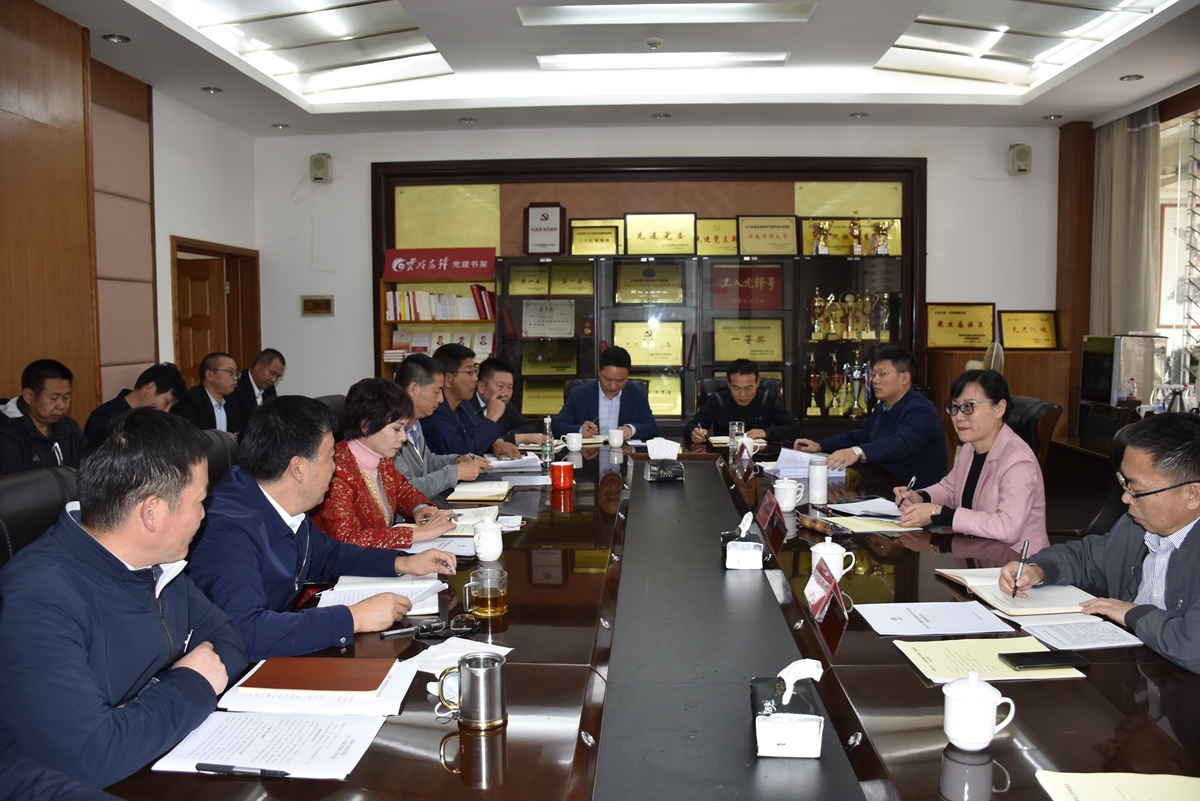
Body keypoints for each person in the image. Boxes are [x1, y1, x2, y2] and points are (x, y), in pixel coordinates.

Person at [0, 409, 248, 788]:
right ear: (152, 512)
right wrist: (192, 682)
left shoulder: (156, 562)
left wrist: (143, 708)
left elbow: (229, 640)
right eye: (200, 500)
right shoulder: (36, 599)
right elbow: (94, 755)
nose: (204, 515)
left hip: (145, 762)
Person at [188, 395, 457, 661]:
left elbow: (328, 555)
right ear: (298, 468)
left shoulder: (284, 501)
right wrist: (353, 618)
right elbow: (245, 632)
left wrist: (402, 563)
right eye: (330, 458)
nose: (335, 468)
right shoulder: (226, 532)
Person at [1000, 413, 1200, 674]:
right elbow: (1086, 557)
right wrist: (1039, 570)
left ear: (1192, 494)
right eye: (1125, 483)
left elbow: (1193, 647)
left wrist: (1132, 613)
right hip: (1135, 673)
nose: (1126, 499)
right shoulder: (1134, 526)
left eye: (1138, 491)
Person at [894, 369, 1049, 552]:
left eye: (968, 407)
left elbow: (1008, 528)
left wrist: (939, 513)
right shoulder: (970, 447)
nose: (959, 417)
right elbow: (950, 488)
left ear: (999, 408)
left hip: (1018, 562)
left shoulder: (1019, 461)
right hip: (978, 554)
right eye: (955, 407)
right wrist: (921, 497)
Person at [312, 378, 456, 549]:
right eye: (396, 429)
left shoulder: (382, 458)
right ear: (366, 426)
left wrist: (420, 508)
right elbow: (348, 539)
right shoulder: (336, 472)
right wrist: (418, 534)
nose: (403, 437)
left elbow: (402, 491)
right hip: (345, 565)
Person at [793, 345, 946, 487]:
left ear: (904, 378)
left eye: (883, 374)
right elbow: (860, 435)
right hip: (883, 484)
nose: (875, 380)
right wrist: (819, 446)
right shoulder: (884, 406)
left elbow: (901, 443)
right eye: (873, 374)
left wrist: (858, 452)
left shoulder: (922, 410)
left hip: (914, 494)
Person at [392, 354, 485, 499]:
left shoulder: (415, 423)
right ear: (413, 390)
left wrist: (456, 460)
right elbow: (405, 490)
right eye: (436, 392)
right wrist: (455, 473)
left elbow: (426, 462)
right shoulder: (389, 432)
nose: (441, 399)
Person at [424, 344, 521, 459]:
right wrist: (491, 418)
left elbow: (476, 436)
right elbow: (462, 453)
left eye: (475, 371)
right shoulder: (434, 413)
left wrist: (495, 443)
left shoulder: (464, 404)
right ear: (448, 379)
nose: (475, 378)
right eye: (469, 372)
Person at [0, 359, 87, 475]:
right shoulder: (7, 433)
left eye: (66, 398)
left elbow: (92, 467)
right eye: (54, 398)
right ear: (29, 396)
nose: (62, 405)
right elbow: (15, 483)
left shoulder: (69, 427)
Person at [552, 346, 658, 440]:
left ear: (627, 375)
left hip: (625, 454)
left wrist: (632, 429)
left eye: (620, 380)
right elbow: (557, 426)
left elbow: (652, 427)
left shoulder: (637, 394)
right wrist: (580, 430)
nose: (613, 386)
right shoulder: (579, 394)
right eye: (608, 379)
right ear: (599, 370)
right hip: (589, 454)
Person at [684, 359, 801, 445]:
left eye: (749, 388)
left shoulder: (766, 399)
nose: (742, 394)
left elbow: (794, 428)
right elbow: (691, 426)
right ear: (729, 384)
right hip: (724, 457)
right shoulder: (718, 399)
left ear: (757, 383)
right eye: (736, 388)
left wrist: (766, 432)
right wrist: (694, 433)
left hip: (760, 457)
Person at [83, 362, 187, 441]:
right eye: (167, 402)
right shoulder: (104, 418)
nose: (166, 411)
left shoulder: (157, 421)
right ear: (150, 388)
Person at [468, 357, 545, 446]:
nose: (506, 393)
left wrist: (508, 437)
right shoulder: (466, 406)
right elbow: (476, 441)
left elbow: (529, 427)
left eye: (510, 387)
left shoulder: (505, 404)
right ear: (481, 387)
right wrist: (516, 438)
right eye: (500, 386)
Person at [171, 352, 247, 435]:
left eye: (236, 373)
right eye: (230, 372)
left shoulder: (231, 402)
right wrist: (223, 439)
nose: (235, 378)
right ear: (210, 375)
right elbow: (188, 437)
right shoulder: (189, 402)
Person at [232, 348, 285, 416]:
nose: (274, 380)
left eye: (278, 376)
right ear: (259, 365)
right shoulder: (237, 386)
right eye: (272, 373)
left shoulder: (270, 389)